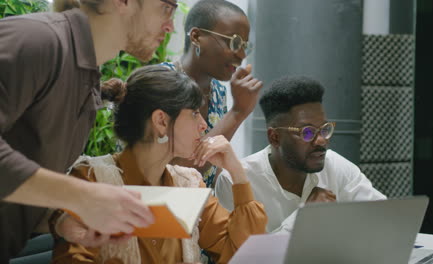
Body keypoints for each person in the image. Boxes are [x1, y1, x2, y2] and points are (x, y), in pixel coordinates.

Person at [0, 0, 177, 260]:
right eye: (167, 7)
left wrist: (61, 219)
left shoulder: (88, 85)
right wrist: (80, 195)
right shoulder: (37, 40)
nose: (171, 26)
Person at [50, 65, 267, 264]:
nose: (203, 125)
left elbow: (243, 255)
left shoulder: (189, 184)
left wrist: (237, 173)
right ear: (161, 121)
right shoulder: (91, 179)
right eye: (194, 114)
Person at [215, 76, 386, 233]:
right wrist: (302, 219)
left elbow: (385, 221)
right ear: (275, 137)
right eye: (307, 132)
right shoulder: (235, 182)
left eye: (325, 130)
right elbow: (242, 257)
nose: (321, 141)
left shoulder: (336, 166)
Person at [161, 0, 263, 188]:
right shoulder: (162, 82)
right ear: (196, 36)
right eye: (233, 42)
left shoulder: (218, 92)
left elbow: (211, 168)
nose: (241, 55)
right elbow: (170, 175)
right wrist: (238, 112)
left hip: (199, 210)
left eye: (244, 46)